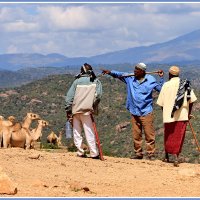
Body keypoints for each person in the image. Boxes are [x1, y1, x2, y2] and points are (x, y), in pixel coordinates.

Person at [102, 63, 164, 160]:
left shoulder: (151, 80)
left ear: (142, 72)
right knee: (136, 135)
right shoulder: (130, 78)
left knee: (149, 135)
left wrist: (161, 78)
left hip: (146, 112)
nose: (134, 72)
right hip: (134, 111)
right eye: (134, 70)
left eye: (137, 71)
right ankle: (138, 154)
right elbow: (119, 74)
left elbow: (161, 89)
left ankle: (151, 154)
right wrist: (109, 72)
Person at [157, 66, 197, 167]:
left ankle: (166, 156)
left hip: (168, 115)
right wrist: (188, 113)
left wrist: (166, 113)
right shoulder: (185, 84)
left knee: (168, 135)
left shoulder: (166, 85)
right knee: (178, 136)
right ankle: (176, 157)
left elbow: (161, 103)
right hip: (182, 114)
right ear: (178, 74)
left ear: (170, 75)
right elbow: (191, 100)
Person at [65, 63, 102, 159]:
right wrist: (93, 105)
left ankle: (80, 152)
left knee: (77, 131)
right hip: (87, 111)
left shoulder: (76, 81)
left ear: (81, 71)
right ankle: (94, 153)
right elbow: (98, 96)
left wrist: (68, 110)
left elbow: (69, 97)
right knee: (89, 132)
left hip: (75, 110)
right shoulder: (96, 81)